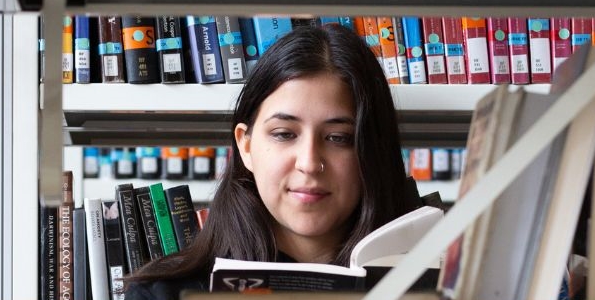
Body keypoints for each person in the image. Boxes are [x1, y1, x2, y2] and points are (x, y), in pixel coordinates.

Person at [123, 23, 425, 299]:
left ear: (373, 152)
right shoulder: (160, 294)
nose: (309, 163)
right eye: (284, 134)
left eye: (339, 138)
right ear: (246, 145)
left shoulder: (438, 288)